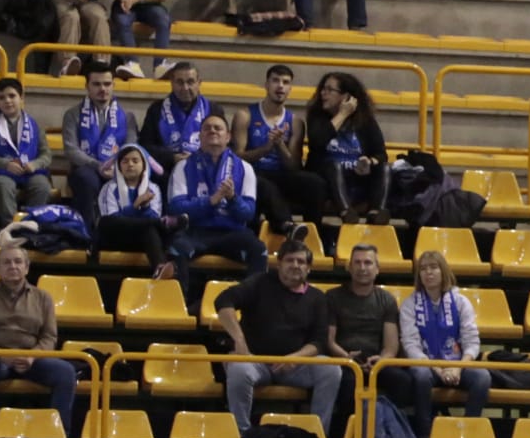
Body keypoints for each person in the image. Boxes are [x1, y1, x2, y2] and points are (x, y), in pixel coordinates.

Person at [215, 240, 337, 436]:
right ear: (278, 263)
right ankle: (240, 435)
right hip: (255, 361)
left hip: (295, 365)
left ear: (308, 268)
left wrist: (295, 358)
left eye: (301, 261)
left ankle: (318, 434)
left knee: (331, 370)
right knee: (238, 368)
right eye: (290, 260)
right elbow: (223, 301)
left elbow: (319, 341)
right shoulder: (259, 283)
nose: (295, 265)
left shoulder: (317, 297)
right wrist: (239, 340)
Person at [0, 242, 79, 438]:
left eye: (18, 262)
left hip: (33, 358)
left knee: (66, 372)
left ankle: (59, 431)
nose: (13, 266)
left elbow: (49, 336)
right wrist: (3, 356)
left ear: (26, 267)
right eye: (6, 262)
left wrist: (32, 356)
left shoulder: (43, 297)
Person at [400, 249, 491, 438]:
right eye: (423, 269)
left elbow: (472, 341)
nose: (428, 273)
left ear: (443, 271)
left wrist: (457, 368)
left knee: (482, 377)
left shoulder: (460, 302)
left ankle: (469, 433)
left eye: (433, 267)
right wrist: (438, 369)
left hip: (457, 365)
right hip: (428, 366)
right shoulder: (409, 305)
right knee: (421, 376)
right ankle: (424, 437)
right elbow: (411, 346)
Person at [166, 112, 264, 280]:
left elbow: (248, 213)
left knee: (259, 250)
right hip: (196, 231)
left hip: (232, 232)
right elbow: (176, 208)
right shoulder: (183, 167)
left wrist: (233, 199)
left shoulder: (244, 168)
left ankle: (252, 302)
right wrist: (210, 202)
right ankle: (179, 304)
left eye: (218, 128)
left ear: (228, 137)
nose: (212, 131)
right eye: (207, 128)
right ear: (200, 136)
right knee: (175, 249)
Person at [324, 241, 407, 438]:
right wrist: (347, 359)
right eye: (358, 263)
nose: (362, 268)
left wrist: (381, 360)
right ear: (349, 267)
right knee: (349, 383)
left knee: (404, 381)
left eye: (368, 263)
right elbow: (329, 340)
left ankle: (389, 433)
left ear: (377, 269)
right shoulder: (333, 297)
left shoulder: (386, 300)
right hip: (344, 361)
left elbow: (391, 345)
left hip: (376, 363)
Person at [235, 63, 322, 233]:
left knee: (316, 183)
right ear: (266, 85)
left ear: (290, 89)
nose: (280, 86)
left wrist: (280, 145)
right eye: (275, 80)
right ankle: (287, 226)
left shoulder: (295, 122)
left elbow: (294, 166)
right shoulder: (245, 115)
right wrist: (265, 149)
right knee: (264, 185)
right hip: (253, 174)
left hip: (281, 174)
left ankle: (314, 235)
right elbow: (237, 158)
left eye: (286, 82)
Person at [305, 71, 389, 222]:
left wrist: (369, 162)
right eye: (323, 89)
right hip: (328, 179)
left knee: (385, 168)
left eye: (330, 90)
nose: (323, 93)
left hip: (356, 178)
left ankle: (377, 212)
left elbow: (381, 154)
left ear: (346, 97)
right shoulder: (316, 116)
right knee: (334, 165)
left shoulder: (365, 120)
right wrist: (342, 115)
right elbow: (317, 142)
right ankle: (345, 212)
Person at [60, 63, 134, 230]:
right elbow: (71, 150)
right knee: (87, 180)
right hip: (85, 168)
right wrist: (99, 166)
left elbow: (131, 147)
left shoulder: (127, 117)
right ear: (87, 86)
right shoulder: (72, 114)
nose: (103, 89)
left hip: (118, 169)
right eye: (96, 84)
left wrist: (116, 168)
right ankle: (86, 234)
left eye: (107, 84)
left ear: (114, 85)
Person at [0, 78, 51, 229]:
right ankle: (10, 229)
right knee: (4, 185)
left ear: (22, 97)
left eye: (12, 96)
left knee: (42, 185)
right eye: (2, 97)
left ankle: (34, 228)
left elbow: (46, 154)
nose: (7, 101)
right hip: (1, 173)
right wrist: (5, 164)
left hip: (30, 172)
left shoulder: (34, 125)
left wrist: (35, 164)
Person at [93, 143, 168, 275]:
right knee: (105, 222)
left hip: (142, 239)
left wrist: (144, 207)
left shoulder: (153, 188)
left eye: (135, 160)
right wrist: (135, 207)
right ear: (119, 166)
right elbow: (112, 222)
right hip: (115, 238)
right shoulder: (109, 188)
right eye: (125, 161)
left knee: (151, 229)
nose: (130, 165)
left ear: (144, 165)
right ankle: (166, 222)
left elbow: (153, 217)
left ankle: (161, 269)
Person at [140, 63, 213, 175]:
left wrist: (198, 156)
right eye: (180, 82)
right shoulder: (156, 109)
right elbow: (145, 146)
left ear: (199, 83)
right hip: (166, 172)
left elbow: (221, 144)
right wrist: (171, 158)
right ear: (172, 83)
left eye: (190, 82)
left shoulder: (213, 110)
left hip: (204, 171)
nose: (185, 88)